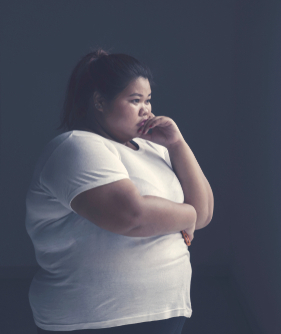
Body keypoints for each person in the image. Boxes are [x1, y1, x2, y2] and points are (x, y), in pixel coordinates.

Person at [24, 48, 214, 333]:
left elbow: (205, 213)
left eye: (148, 100)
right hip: (90, 320)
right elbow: (130, 215)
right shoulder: (76, 146)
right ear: (100, 102)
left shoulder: (155, 149)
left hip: (165, 312)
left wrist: (177, 144)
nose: (146, 109)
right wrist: (187, 215)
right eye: (135, 100)